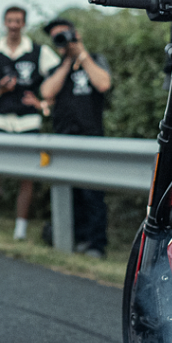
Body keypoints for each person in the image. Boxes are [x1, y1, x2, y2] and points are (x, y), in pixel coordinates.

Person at [0, 5, 59, 239]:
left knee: (26, 176)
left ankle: (20, 230)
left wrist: (43, 103)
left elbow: (58, 78)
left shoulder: (38, 51)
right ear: (4, 22)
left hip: (28, 120)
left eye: (18, 21)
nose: (14, 25)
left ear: (24, 24)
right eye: (10, 20)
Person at [38, 17, 113, 258]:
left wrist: (81, 54)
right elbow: (47, 92)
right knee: (68, 193)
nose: (62, 40)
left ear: (75, 33)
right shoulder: (55, 68)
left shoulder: (96, 60)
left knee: (93, 193)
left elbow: (103, 84)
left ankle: (95, 245)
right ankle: (72, 238)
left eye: (65, 34)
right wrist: (67, 62)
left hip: (91, 137)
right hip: (63, 137)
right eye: (57, 37)